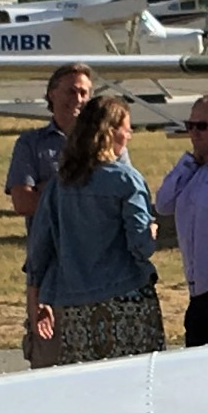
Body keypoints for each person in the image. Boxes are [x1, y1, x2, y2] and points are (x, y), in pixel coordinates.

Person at [25, 94, 163, 363]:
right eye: (127, 130)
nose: (129, 136)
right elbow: (141, 246)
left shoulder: (60, 184)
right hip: (126, 295)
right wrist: (151, 231)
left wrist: (36, 298)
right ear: (111, 133)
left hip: (75, 303)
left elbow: (40, 248)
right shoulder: (126, 180)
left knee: (86, 378)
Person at [10, 63, 95, 364]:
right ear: (51, 95)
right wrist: (79, 197)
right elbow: (22, 201)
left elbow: (112, 202)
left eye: (84, 92)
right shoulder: (31, 144)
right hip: (48, 268)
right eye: (71, 91)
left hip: (95, 266)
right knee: (49, 352)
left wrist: (49, 191)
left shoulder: (105, 144)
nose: (78, 99)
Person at [156, 94, 208, 346]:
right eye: (190, 126)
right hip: (196, 287)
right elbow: (163, 204)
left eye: (203, 126)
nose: (194, 133)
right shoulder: (191, 166)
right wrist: (188, 163)